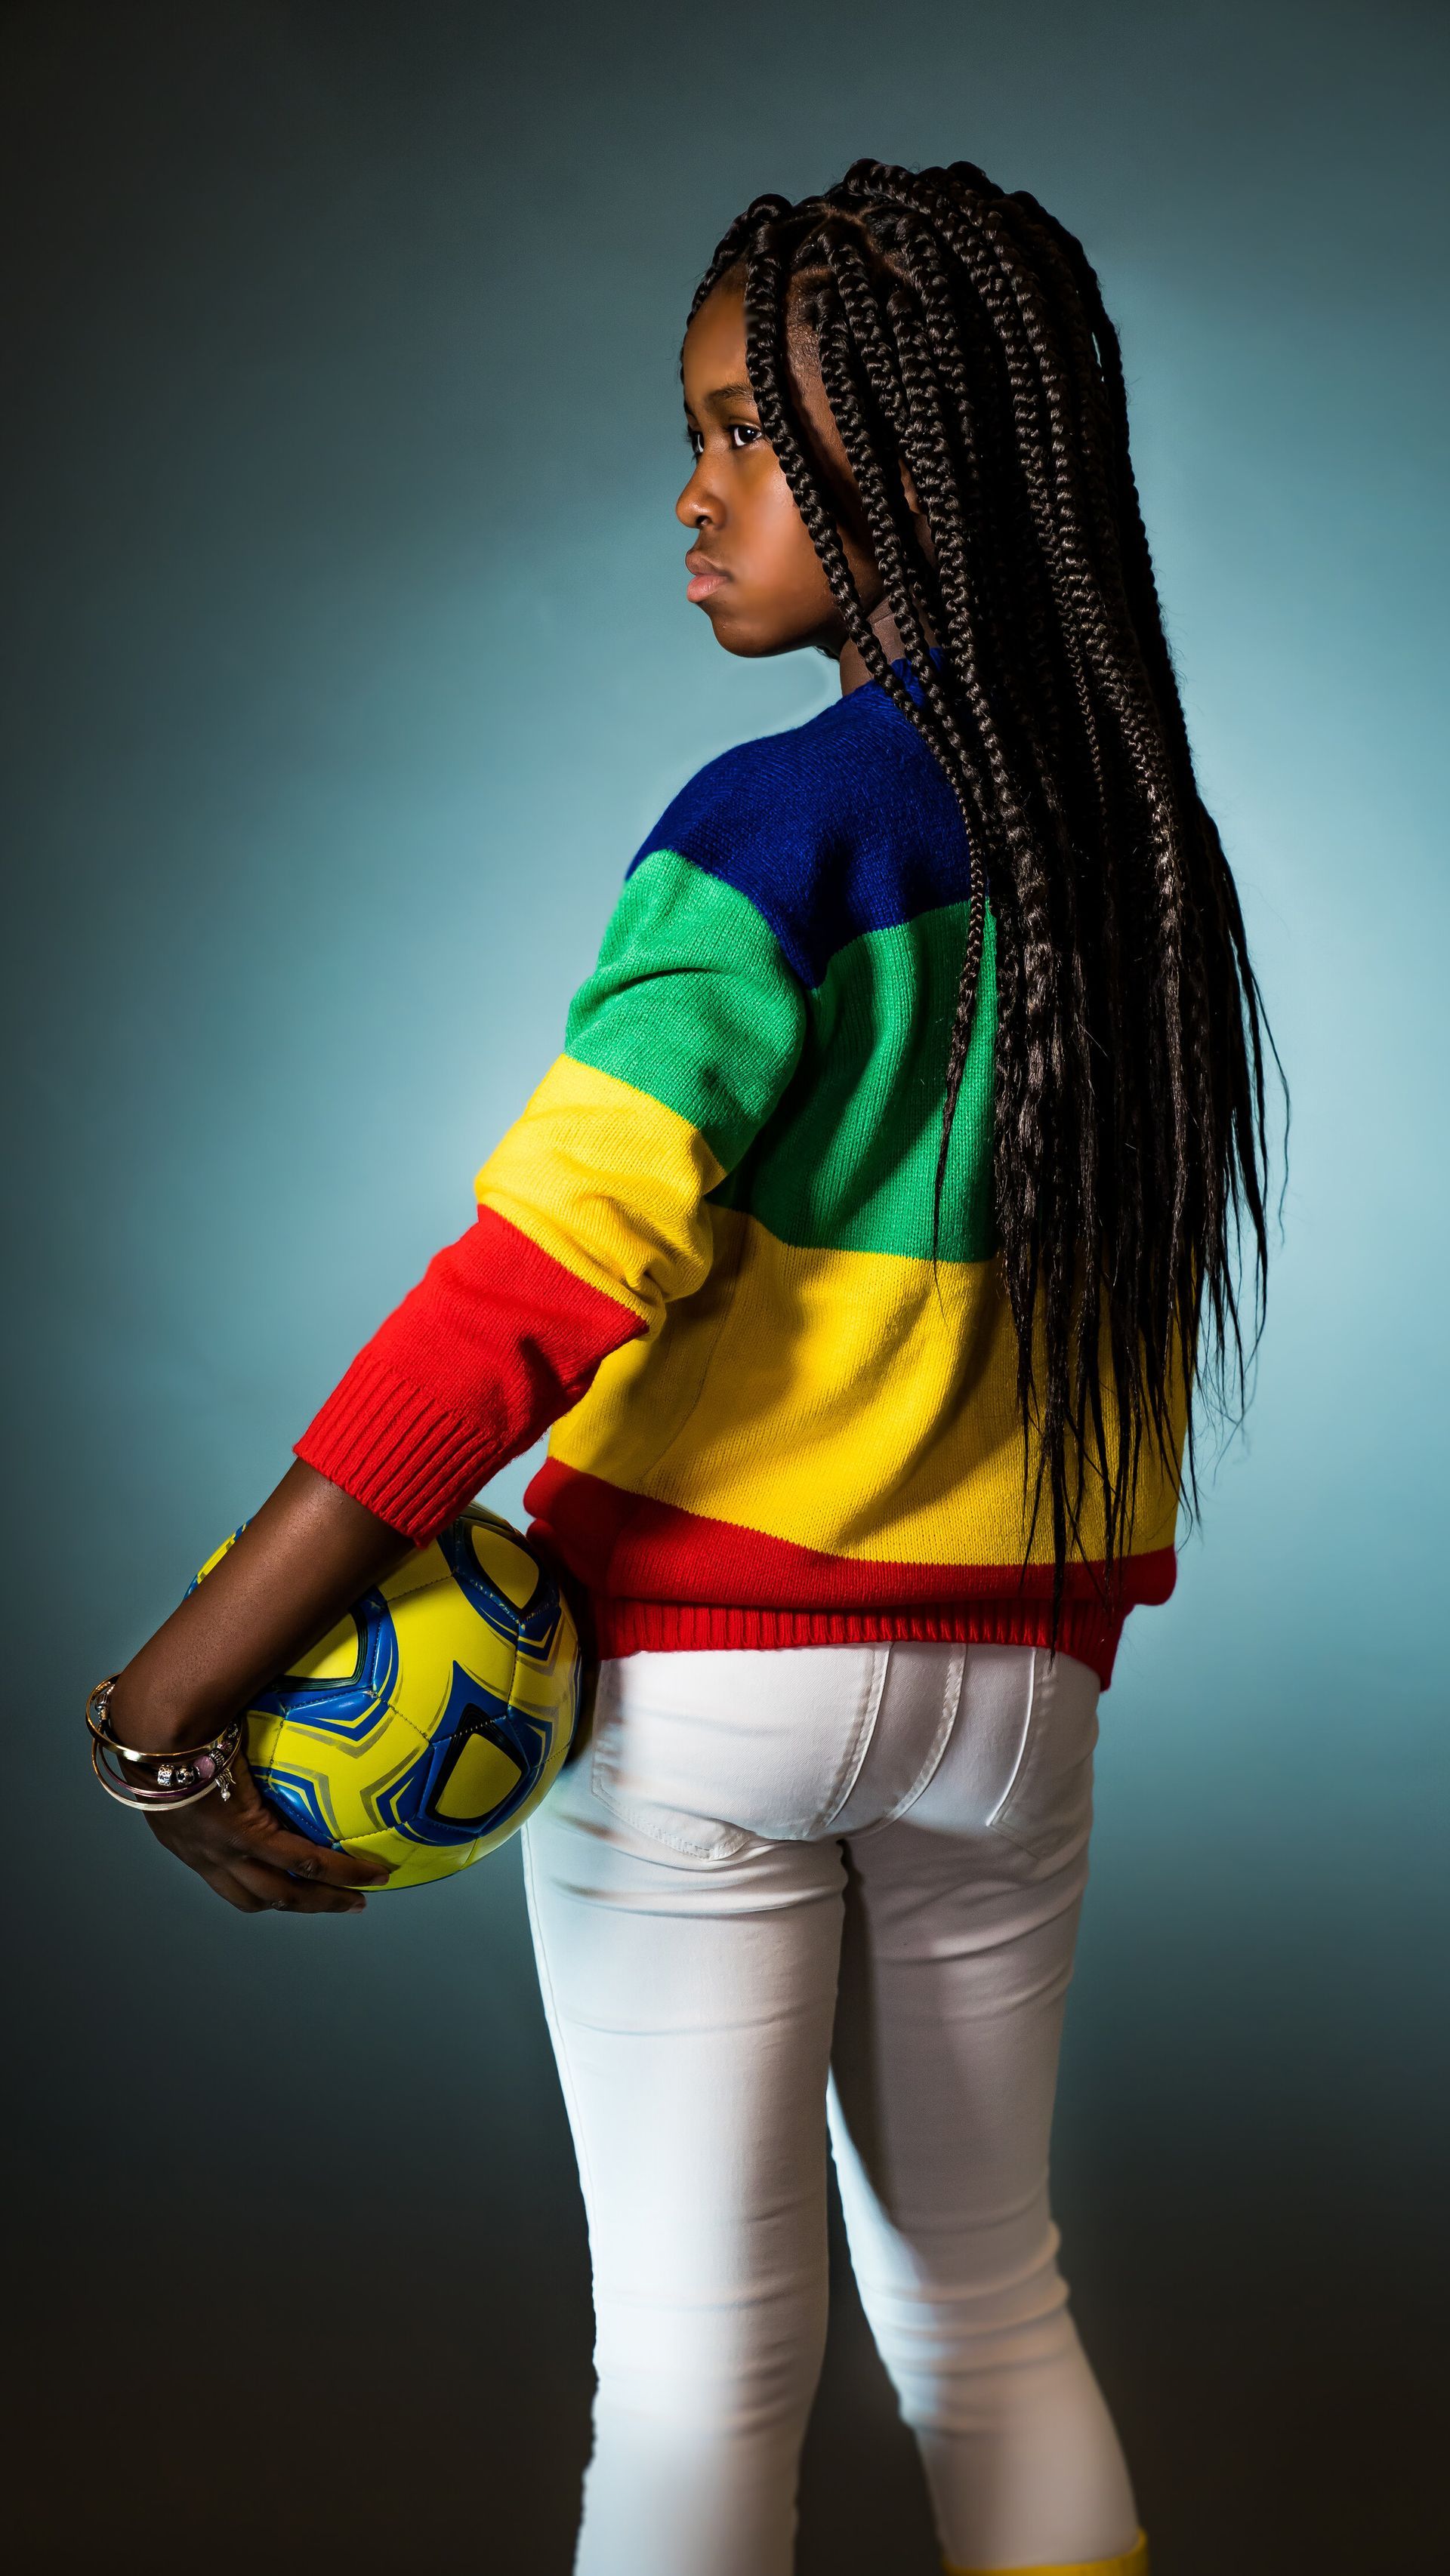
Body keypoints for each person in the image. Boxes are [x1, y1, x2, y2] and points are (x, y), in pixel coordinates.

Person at [101, 161, 1273, 2576]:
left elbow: (539, 1282)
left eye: (746, 429)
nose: (694, 489)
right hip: (1017, 1705)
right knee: (993, 2306)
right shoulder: (1146, 859)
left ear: (911, 453)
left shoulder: (778, 827)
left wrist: (180, 1686)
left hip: (714, 1686)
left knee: (696, 2371)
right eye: (695, 431)